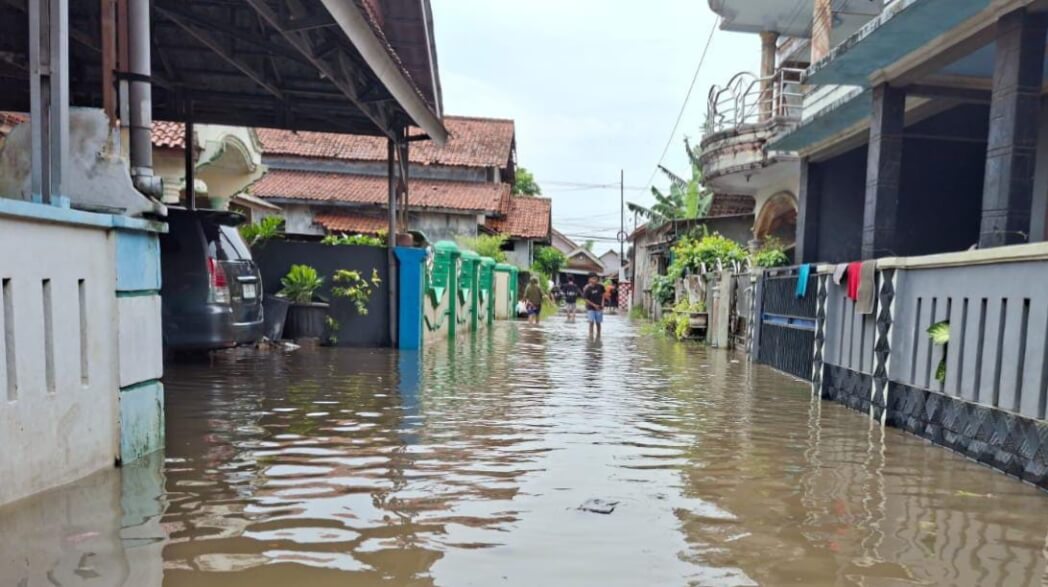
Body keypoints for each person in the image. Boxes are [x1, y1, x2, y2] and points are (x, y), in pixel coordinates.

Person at [582, 273, 604, 338]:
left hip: (599, 307)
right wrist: (594, 305)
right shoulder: (587, 288)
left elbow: (603, 295)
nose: (595, 280)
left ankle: (598, 336)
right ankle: (591, 336)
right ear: (589, 280)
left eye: (596, 279)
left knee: (598, 323)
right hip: (590, 308)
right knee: (591, 322)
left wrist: (602, 304)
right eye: (593, 278)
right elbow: (585, 299)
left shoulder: (600, 286)